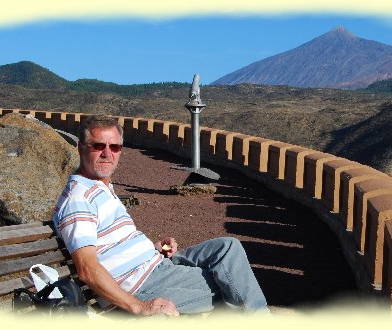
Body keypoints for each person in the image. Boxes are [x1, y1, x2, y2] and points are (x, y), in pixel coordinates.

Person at [52, 115, 269, 317]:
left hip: (156, 264)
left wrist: (154, 249)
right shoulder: (78, 199)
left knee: (228, 248)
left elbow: (111, 245)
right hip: (142, 286)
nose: (107, 153)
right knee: (232, 282)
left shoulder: (100, 187)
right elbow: (87, 269)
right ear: (81, 148)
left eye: (115, 147)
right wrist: (140, 306)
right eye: (99, 146)